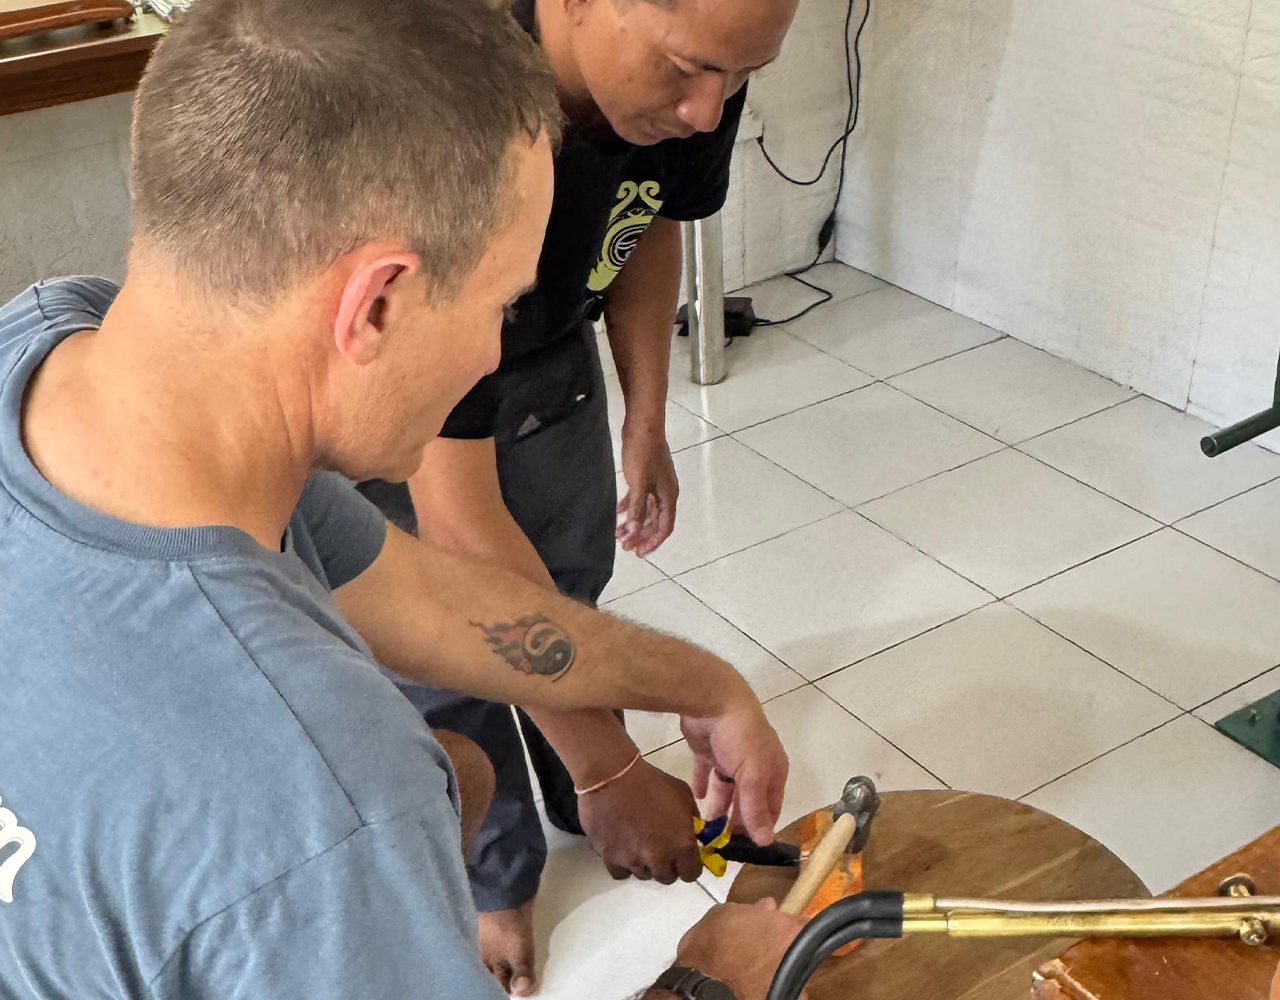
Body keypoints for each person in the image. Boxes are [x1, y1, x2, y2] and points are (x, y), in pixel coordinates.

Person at [0, 0, 807, 996]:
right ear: (375, 302)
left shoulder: (52, 343)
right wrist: (708, 981)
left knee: (459, 768)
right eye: (502, 306)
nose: (496, 355)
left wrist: (702, 683)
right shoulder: (327, 807)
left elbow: (423, 595)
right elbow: (327, 816)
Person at [358, 0, 801, 989]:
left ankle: (580, 775)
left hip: (552, 359)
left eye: (738, 76)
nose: (708, 109)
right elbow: (462, 540)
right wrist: (611, 767)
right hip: (410, 386)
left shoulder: (700, 72)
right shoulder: (445, 115)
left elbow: (647, 224)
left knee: (566, 586)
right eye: (687, 69)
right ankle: (496, 877)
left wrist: (646, 418)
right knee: (445, 662)